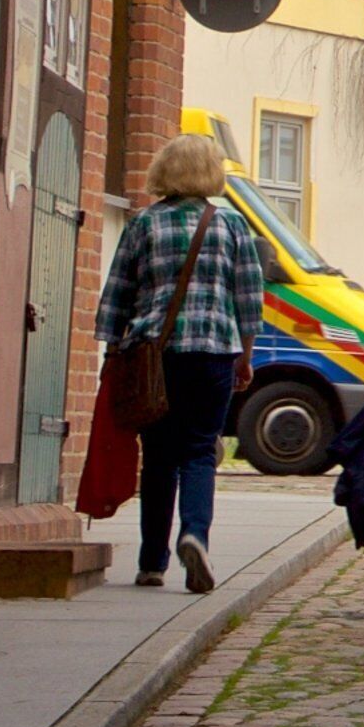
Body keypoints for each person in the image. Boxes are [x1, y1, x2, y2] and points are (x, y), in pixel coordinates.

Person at [93, 132, 270, 595]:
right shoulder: (231, 226)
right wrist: (245, 357)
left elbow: (117, 294)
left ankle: (152, 561)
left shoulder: (143, 224)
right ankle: (196, 534)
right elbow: (249, 299)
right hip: (213, 354)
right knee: (199, 451)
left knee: (159, 457)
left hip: (156, 356)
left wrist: (112, 353)